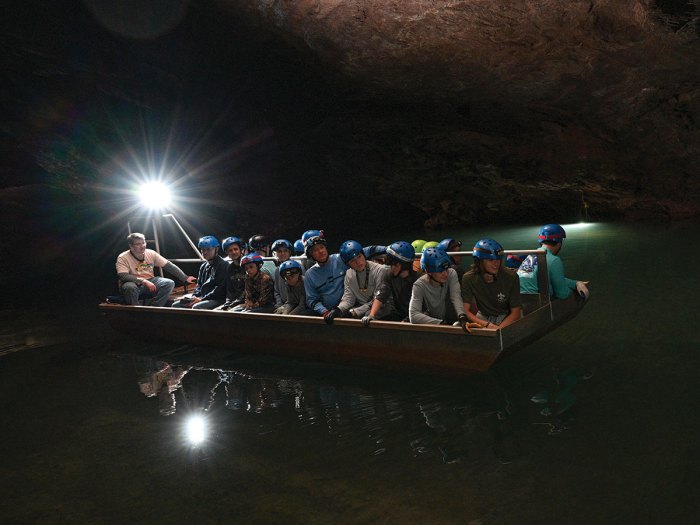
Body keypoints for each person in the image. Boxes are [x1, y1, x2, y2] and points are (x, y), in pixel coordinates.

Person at [115, 232, 195, 307]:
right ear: (131, 246)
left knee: (169, 283)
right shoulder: (123, 257)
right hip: (133, 283)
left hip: (150, 280)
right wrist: (143, 281)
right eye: (138, 244)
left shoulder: (151, 253)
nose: (142, 246)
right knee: (130, 287)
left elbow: (168, 266)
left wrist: (185, 277)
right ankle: (136, 312)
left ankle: (155, 308)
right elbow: (123, 276)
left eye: (143, 243)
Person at [461, 239, 522, 330]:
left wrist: (498, 330)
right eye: (490, 260)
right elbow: (465, 311)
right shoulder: (468, 278)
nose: (496, 264)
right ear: (479, 261)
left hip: (506, 316)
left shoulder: (511, 277)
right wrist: (486, 325)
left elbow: (516, 312)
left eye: (498, 259)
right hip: (483, 317)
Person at [517, 224, 590, 300]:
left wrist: (575, 283)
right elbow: (562, 294)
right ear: (559, 243)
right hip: (536, 304)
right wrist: (576, 291)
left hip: (520, 301)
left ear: (541, 241)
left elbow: (550, 278)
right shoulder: (554, 260)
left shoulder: (531, 256)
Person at [408, 247, 469, 331]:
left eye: (446, 269)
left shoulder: (451, 273)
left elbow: (455, 297)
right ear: (429, 272)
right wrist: (441, 323)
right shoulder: (419, 285)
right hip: (435, 324)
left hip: (452, 319)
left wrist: (462, 316)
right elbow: (413, 315)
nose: (445, 274)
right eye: (440, 271)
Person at [362, 240, 419, 326]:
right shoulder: (389, 274)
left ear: (405, 265)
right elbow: (381, 295)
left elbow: (420, 307)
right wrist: (371, 315)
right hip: (400, 313)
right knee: (369, 315)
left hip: (417, 315)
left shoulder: (417, 280)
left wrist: (407, 320)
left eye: (396, 265)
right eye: (391, 264)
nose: (392, 268)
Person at [302, 229, 348, 324]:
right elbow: (312, 300)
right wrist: (324, 312)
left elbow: (362, 252)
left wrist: (385, 249)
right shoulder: (310, 274)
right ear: (311, 256)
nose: (320, 251)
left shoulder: (340, 259)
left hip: (349, 308)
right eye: (315, 250)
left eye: (322, 247)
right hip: (328, 313)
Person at [336, 240, 391, 319]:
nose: (358, 262)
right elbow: (348, 299)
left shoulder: (380, 270)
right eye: (352, 261)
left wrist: (355, 312)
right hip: (363, 309)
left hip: (383, 306)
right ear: (348, 264)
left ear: (364, 255)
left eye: (359, 256)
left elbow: (379, 299)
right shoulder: (349, 274)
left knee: (367, 315)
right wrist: (338, 309)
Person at [171, 235, 228, 309]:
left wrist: (202, 299)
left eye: (208, 249)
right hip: (203, 297)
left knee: (197, 307)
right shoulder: (204, 266)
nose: (205, 252)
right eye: (203, 250)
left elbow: (220, 289)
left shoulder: (223, 265)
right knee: (176, 305)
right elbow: (199, 285)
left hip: (217, 298)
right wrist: (195, 296)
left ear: (216, 249)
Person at [216, 236, 246, 311]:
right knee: (217, 312)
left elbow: (249, 290)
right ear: (227, 253)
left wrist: (233, 304)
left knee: (231, 312)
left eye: (235, 249)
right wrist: (228, 303)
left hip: (247, 300)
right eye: (230, 250)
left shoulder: (248, 266)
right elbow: (230, 290)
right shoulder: (229, 268)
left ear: (240, 250)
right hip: (235, 301)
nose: (233, 252)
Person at [270, 239, 298, 313]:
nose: (282, 253)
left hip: (296, 304)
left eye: (285, 251)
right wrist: (279, 304)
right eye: (279, 251)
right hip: (283, 304)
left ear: (289, 252)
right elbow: (276, 291)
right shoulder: (277, 270)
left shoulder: (298, 267)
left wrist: (287, 306)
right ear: (275, 254)